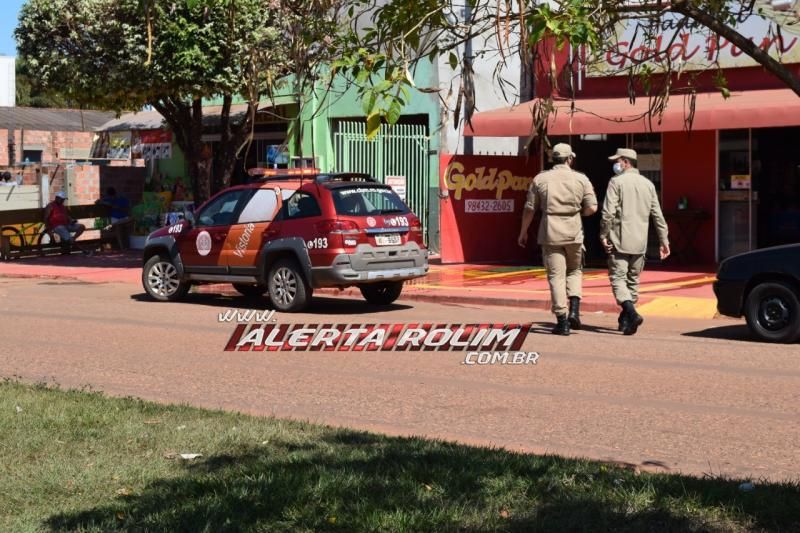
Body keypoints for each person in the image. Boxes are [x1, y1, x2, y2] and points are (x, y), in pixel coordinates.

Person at [518, 143, 598, 335]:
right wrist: (578, 214)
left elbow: (530, 208)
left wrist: (523, 231)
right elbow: (592, 208)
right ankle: (575, 311)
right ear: (570, 159)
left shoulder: (540, 179)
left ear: (552, 159)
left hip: (550, 232)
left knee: (556, 276)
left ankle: (562, 321)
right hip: (574, 232)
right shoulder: (581, 178)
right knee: (575, 271)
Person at [600, 148, 670, 335]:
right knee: (632, 281)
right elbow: (658, 215)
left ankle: (632, 313)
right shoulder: (648, 184)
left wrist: (603, 234)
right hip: (640, 242)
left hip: (619, 240)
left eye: (617, 161)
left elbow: (608, 213)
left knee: (618, 279)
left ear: (625, 162)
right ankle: (626, 322)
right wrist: (664, 240)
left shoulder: (616, 182)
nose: (615, 164)